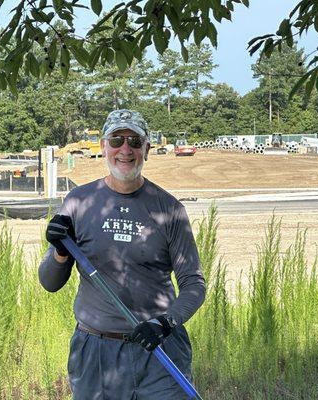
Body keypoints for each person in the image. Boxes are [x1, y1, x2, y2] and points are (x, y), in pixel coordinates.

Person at [38, 109, 206, 400]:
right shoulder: (79, 203)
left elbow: (194, 285)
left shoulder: (169, 209)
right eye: (116, 140)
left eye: (134, 140)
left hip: (159, 350)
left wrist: (165, 323)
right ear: (103, 146)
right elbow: (49, 282)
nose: (125, 149)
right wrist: (61, 253)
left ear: (147, 149)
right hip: (97, 354)